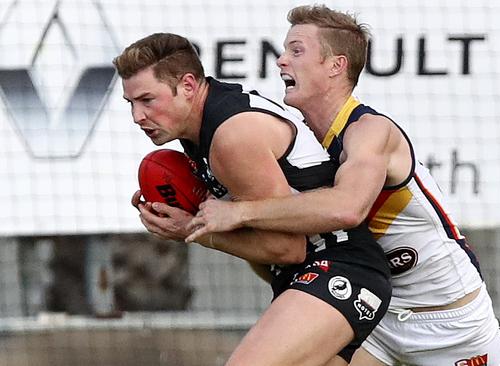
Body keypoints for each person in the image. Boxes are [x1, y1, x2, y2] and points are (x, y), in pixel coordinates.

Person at [185, 5, 500, 366]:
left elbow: (346, 208)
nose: (281, 61)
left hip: (449, 318)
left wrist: (240, 212)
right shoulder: (296, 146)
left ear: (336, 65)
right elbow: (284, 254)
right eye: (283, 51)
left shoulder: (370, 131)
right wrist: (196, 227)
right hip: (375, 313)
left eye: (296, 51)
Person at [113, 32, 392, 366]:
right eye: (131, 103)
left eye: (147, 100)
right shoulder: (201, 125)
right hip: (307, 275)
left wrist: (193, 229)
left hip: (340, 269)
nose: (137, 116)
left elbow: (286, 249)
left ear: (187, 85)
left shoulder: (232, 137)